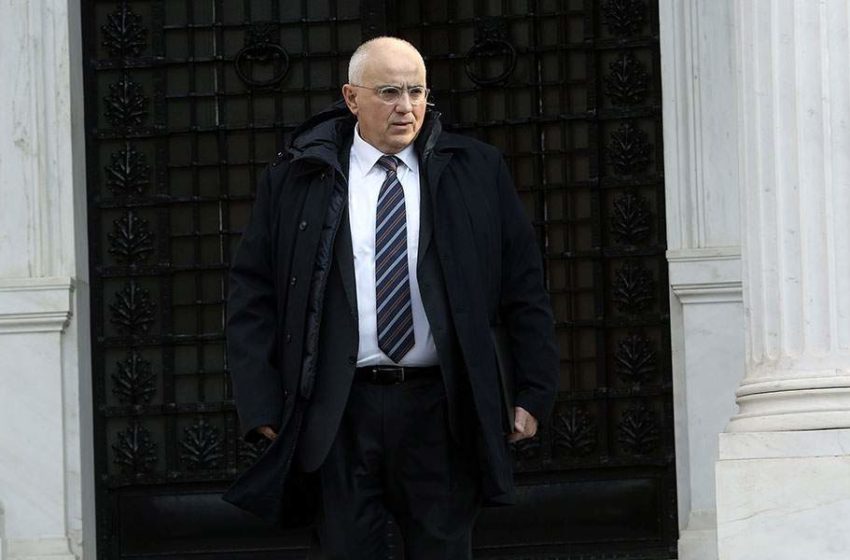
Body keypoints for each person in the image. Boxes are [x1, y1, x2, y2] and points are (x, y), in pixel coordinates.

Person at [222, 36, 559, 559]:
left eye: (416, 91)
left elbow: (523, 287)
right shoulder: (297, 177)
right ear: (351, 97)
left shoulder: (477, 169)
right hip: (338, 409)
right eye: (389, 92)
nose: (406, 106)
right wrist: (259, 399)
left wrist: (532, 391)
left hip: (442, 407)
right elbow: (253, 294)